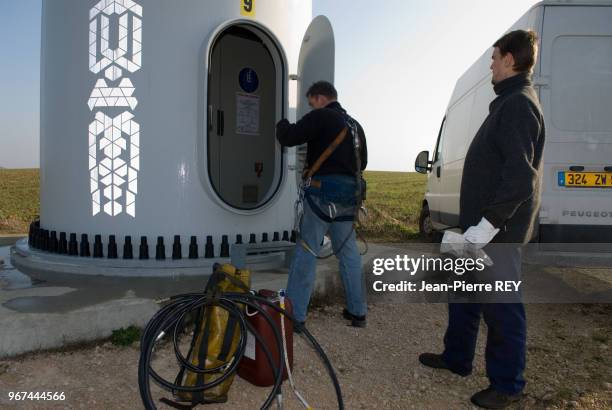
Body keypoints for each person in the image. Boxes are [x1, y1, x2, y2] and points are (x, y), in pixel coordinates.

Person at [419, 30, 545, 409]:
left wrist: (487, 226)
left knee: (503, 308)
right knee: (464, 296)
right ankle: (457, 359)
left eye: (495, 57)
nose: (491, 63)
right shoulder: (507, 103)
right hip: (482, 231)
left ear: (510, 60)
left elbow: (521, 178)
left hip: (496, 234)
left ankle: (507, 385)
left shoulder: (519, 105)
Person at [275, 81, 368, 329]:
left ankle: (295, 316)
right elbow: (364, 162)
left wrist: (280, 121)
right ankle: (358, 312)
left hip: (321, 195)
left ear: (319, 98)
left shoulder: (321, 117)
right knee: (348, 253)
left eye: (310, 102)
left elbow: (288, 137)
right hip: (349, 198)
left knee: (307, 250)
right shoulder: (355, 125)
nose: (311, 106)